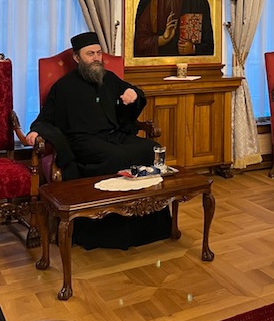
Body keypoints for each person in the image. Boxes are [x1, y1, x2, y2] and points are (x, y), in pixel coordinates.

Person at [26, 31, 171, 249]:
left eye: (98, 53)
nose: (96, 58)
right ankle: (109, 233)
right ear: (77, 58)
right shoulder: (63, 87)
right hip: (84, 141)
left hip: (115, 136)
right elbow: (46, 117)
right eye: (90, 54)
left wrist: (133, 96)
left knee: (152, 149)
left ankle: (150, 228)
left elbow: (132, 93)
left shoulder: (109, 78)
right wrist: (36, 131)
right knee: (115, 157)